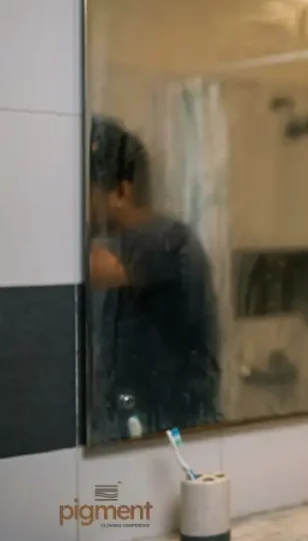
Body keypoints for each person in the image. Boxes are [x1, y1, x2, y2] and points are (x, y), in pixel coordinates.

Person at [88, 115, 221, 438]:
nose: (83, 205)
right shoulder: (122, 242)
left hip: (175, 435)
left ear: (121, 190)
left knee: (111, 487)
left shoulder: (167, 239)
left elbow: (98, 269)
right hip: (134, 434)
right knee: (107, 490)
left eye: (88, 191)